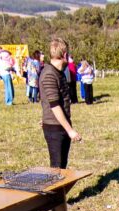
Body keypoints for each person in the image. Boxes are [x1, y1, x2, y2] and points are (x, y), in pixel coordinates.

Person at [39, 37, 81, 168]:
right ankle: (53, 190)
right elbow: (54, 105)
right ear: (65, 55)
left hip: (59, 125)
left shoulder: (59, 73)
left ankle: (60, 189)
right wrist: (70, 130)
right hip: (55, 128)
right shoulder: (49, 74)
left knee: (62, 166)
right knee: (57, 169)